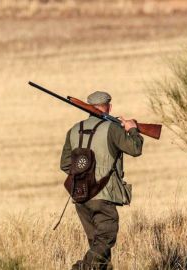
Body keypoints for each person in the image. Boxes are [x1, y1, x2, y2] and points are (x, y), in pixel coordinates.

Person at [60, 91, 143, 270]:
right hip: (103, 194)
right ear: (109, 107)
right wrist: (132, 129)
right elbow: (135, 149)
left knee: (98, 246)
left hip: (80, 196)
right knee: (106, 237)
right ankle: (81, 267)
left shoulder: (74, 129)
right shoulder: (112, 129)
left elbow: (65, 164)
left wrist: (84, 174)